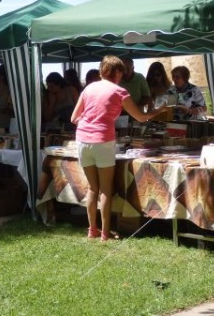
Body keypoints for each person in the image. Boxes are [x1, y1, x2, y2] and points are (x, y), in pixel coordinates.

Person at [70, 55, 166, 241]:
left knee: (92, 188)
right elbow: (140, 117)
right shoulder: (119, 91)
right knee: (105, 189)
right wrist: (159, 111)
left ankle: (92, 230)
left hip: (82, 139)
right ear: (118, 72)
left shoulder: (89, 88)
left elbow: (74, 118)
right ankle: (105, 233)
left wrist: (90, 123)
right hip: (103, 141)